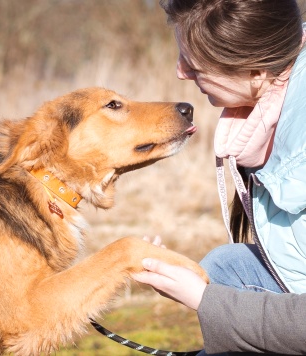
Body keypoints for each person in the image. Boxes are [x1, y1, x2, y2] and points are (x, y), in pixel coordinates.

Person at [133, 0, 306, 355]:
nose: (181, 73)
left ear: (255, 71)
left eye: (195, 65)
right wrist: (194, 282)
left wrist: (204, 300)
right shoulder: (275, 100)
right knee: (224, 268)